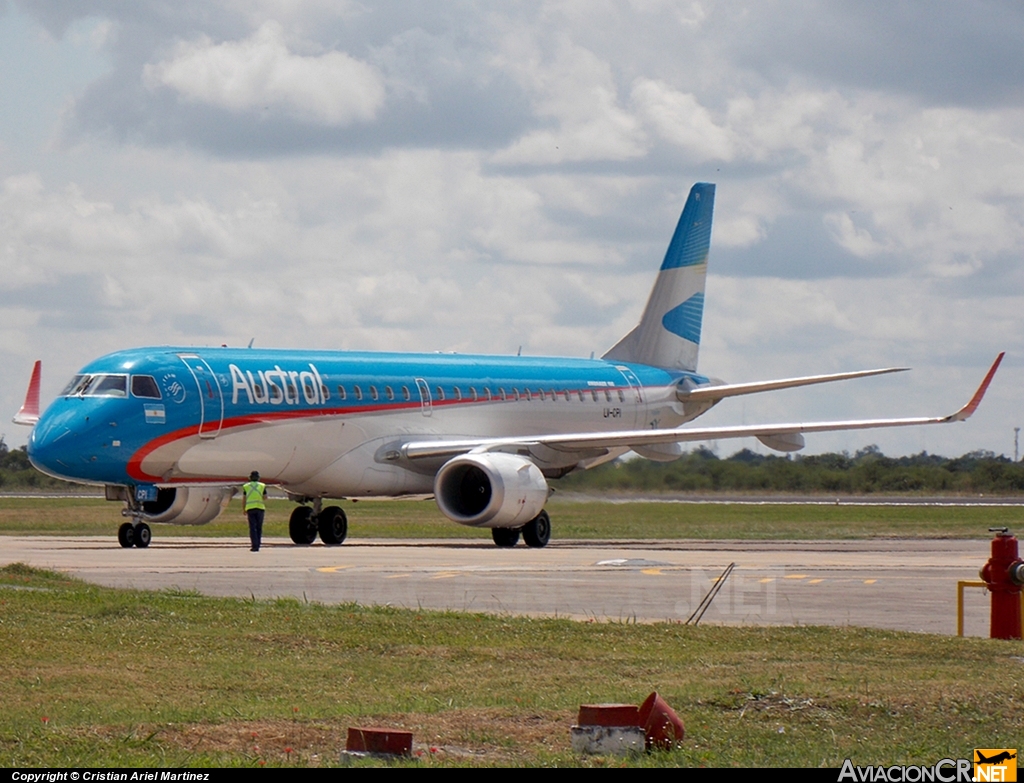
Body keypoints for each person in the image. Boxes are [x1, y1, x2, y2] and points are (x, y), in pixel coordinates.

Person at [241, 471, 267, 551]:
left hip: (250, 508)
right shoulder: (262, 486)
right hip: (260, 508)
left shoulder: (246, 486)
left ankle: (254, 545)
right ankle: (258, 544)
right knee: (259, 527)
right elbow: (265, 497)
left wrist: (244, 508)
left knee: (252, 528)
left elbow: (244, 499)